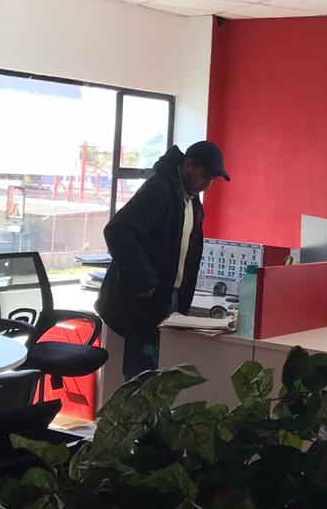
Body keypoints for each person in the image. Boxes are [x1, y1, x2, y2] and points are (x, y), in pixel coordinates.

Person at [95, 140, 230, 380]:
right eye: (205, 176)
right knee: (142, 376)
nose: (207, 184)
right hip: (147, 299)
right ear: (188, 165)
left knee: (162, 372)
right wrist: (145, 280)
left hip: (171, 297)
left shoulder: (191, 200)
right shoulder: (159, 189)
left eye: (212, 180)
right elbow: (117, 231)